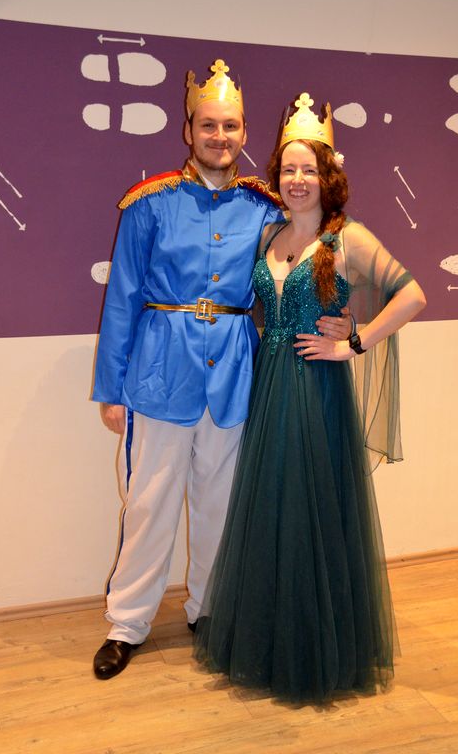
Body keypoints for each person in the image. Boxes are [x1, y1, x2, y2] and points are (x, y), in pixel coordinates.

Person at [91, 65, 350, 680]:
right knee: (149, 504)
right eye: (208, 125)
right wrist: (110, 389)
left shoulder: (264, 208)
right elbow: (122, 298)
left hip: (235, 374)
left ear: (244, 132)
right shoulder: (148, 204)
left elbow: (310, 255)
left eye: (230, 126)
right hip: (159, 373)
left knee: (222, 504)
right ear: (189, 130)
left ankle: (211, 611)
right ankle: (127, 623)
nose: (219, 136)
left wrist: (343, 318)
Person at [194, 93, 426, 704]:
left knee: (309, 513)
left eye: (309, 170)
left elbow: (411, 294)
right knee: (271, 512)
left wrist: (354, 342)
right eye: (289, 169)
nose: (298, 180)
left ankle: (314, 651)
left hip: (316, 393)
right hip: (271, 387)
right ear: (278, 176)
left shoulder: (347, 238)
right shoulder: (269, 234)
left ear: (329, 177)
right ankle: (272, 641)